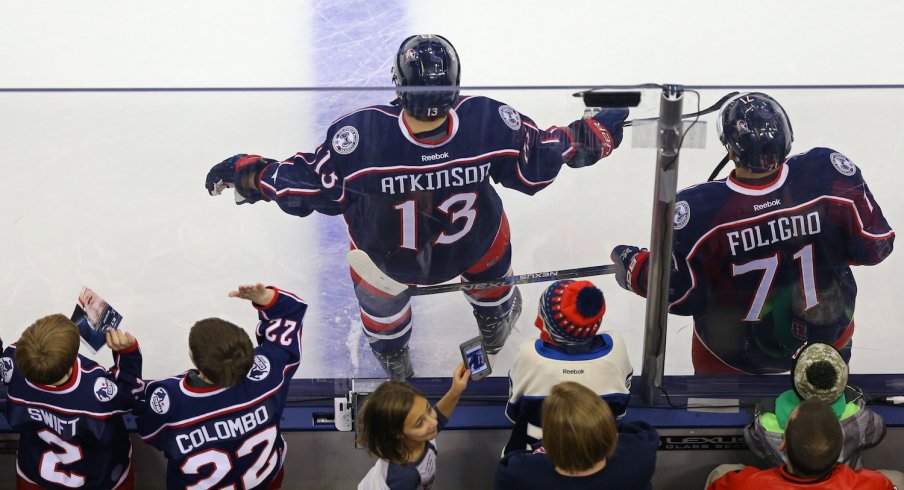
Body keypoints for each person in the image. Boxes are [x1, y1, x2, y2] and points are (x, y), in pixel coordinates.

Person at [205, 33, 629, 379]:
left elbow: (308, 187)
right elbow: (545, 157)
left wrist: (248, 173)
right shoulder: (488, 120)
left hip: (389, 261)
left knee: (379, 303)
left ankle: (394, 359)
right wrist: (600, 128)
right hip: (474, 245)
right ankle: (495, 322)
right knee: (493, 259)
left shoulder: (360, 136)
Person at [610, 92, 894, 374]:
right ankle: (826, 413)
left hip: (735, 356)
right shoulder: (827, 173)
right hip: (826, 338)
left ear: (731, 150)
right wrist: (818, 244)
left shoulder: (700, 211)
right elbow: (874, 247)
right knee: (826, 410)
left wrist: (637, 268)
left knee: (715, 416)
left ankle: (716, 416)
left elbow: (682, 296)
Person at [135, 283, 306, 489]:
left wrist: (127, 355)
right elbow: (291, 316)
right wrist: (266, 297)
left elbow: (148, 428)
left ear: (195, 361)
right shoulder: (267, 376)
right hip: (265, 482)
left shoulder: (172, 399)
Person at [0, 314, 143, 489]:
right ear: (70, 364)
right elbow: (130, 395)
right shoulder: (94, 392)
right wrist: (128, 353)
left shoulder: (12, 366)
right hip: (99, 480)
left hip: (36, 476)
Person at [503, 280, 633, 454]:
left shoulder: (530, 355)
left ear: (546, 322)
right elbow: (619, 412)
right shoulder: (616, 347)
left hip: (534, 455)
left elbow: (513, 414)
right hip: (599, 450)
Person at [745, 342, 886, 470]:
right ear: (842, 380)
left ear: (795, 377)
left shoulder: (767, 423)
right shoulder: (858, 416)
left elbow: (753, 440)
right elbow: (877, 431)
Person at [495, 381, 658, 490]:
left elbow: (514, 458)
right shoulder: (639, 457)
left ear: (549, 442)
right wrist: (592, 424)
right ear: (607, 432)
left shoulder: (518, 475)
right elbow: (642, 431)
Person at [707, 398, 898, 489]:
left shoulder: (747, 484)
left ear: (783, 446)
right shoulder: (872, 484)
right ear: (839, 447)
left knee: (721, 471)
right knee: (896, 478)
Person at [356, 361, 470, 489]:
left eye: (428, 409)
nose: (433, 422)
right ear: (398, 433)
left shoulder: (417, 436)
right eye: (420, 423)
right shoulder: (405, 476)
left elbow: (439, 417)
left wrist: (456, 390)